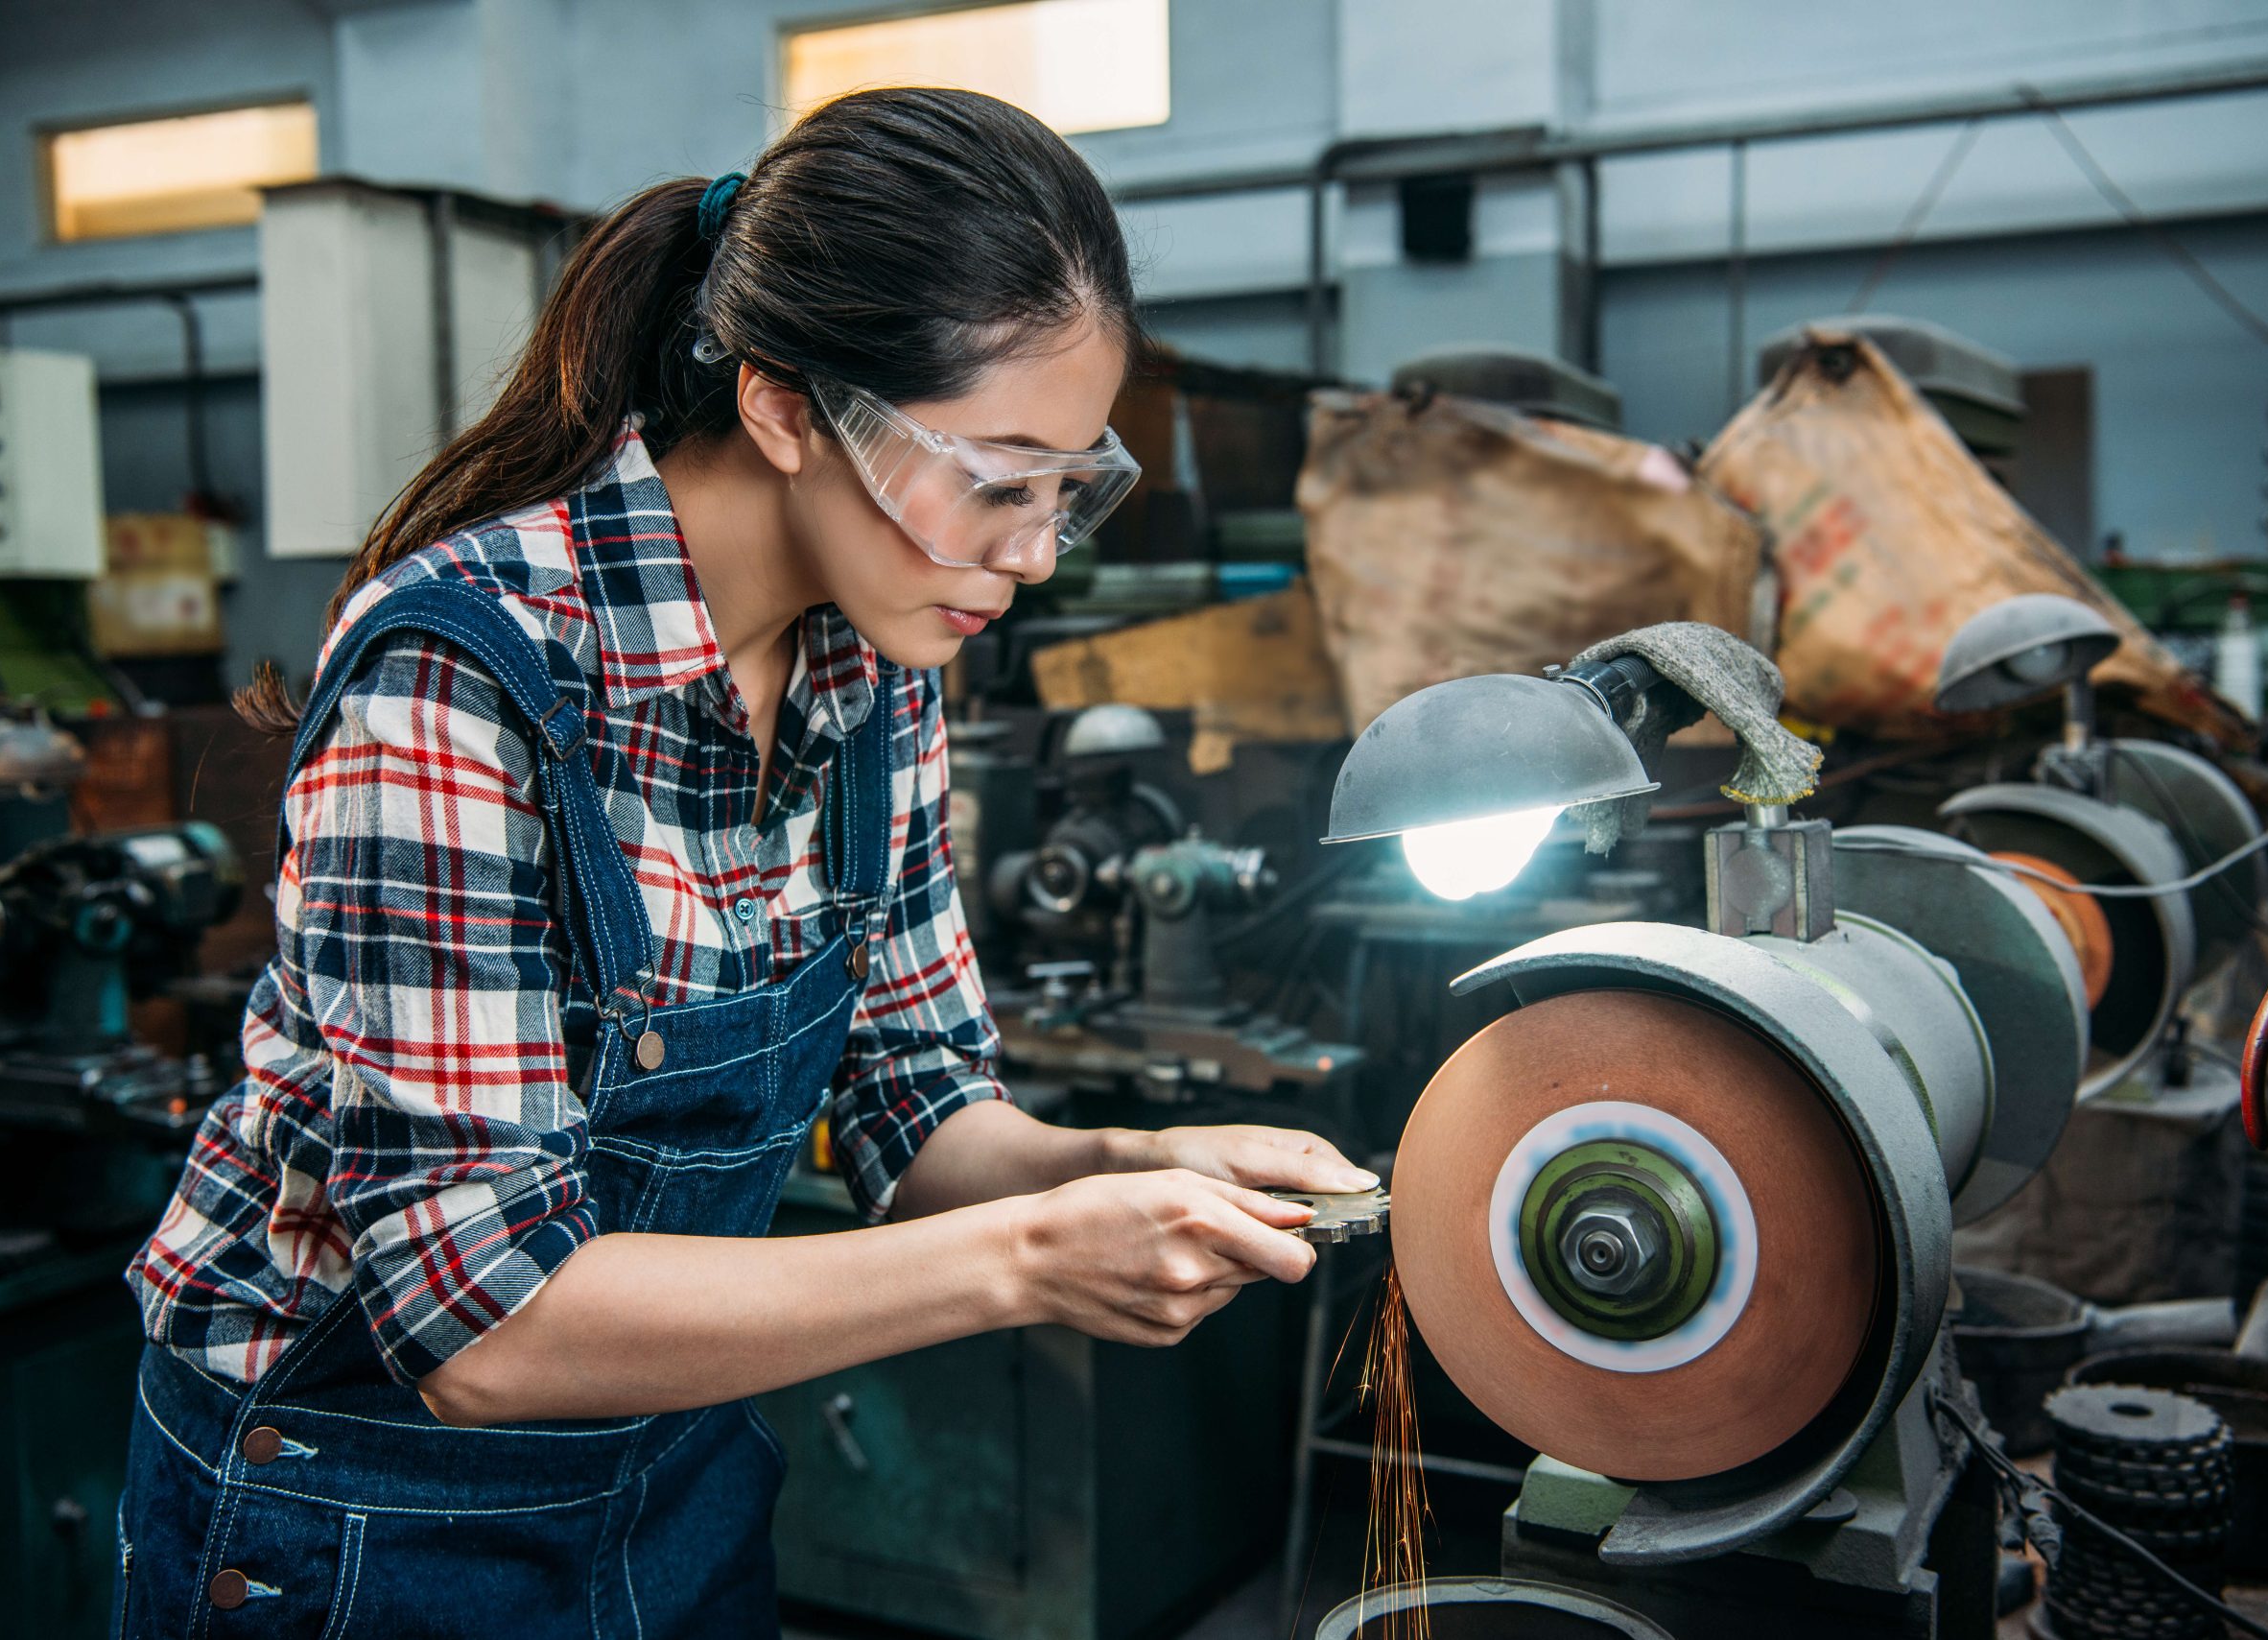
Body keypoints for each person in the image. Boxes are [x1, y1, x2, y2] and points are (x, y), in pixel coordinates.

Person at [117, 86, 1372, 1638]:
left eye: (1071, 486)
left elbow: (915, 1100)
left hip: (674, 1467)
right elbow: (485, 1327)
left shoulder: (879, 668)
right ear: (784, 406)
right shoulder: (457, 681)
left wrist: (1113, 1168)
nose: (1040, 552)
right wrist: (1036, 1256)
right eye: (996, 479)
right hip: (358, 1507)